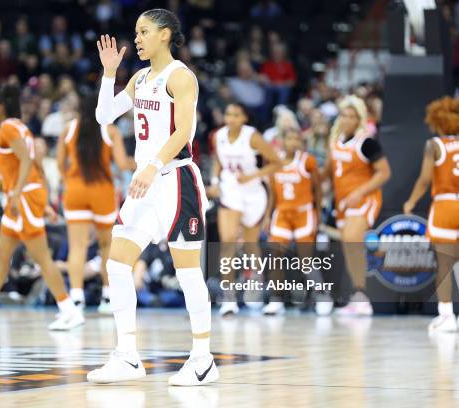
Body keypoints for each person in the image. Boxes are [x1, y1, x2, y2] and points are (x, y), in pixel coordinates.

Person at [87, 8, 218, 386]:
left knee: (188, 271)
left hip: (176, 180)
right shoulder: (140, 77)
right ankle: (127, 356)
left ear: (165, 34)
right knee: (116, 265)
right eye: (136, 32)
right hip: (145, 184)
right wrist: (109, 73)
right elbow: (104, 116)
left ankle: (203, 359)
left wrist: (151, 165)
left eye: (144, 32)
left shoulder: (181, 77)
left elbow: (184, 132)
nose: (137, 39)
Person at [0, 84, 82, 330]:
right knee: (2, 255)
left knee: (42, 257)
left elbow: (25, 160)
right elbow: (36, 163)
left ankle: (69, 309)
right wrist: (42, 203)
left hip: (21, 197)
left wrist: (17, 195)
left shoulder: (7, 128)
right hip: (26, 196)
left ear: (0, 107)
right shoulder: (23, 128)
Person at [57, 95, 135, 314]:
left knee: (77, 247)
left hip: (75, 189)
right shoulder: (110, 130)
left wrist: (69, 180)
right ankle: (107, 297)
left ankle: (76, 297)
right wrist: (141, 162)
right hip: (101, 191)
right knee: (106, 246)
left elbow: (60, 163)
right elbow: (121, 164)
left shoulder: (69, 129)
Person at [207, 102, 281, 316]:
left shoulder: (253, 136)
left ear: (244, 118)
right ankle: (228, 298)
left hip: (253, 192)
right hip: (230, 190)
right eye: (228, 113)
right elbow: (217, 160)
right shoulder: (218, 136)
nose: (231, 118)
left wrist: (253, 175)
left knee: (251, 244)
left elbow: (276, 162)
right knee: (228, 241)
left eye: (236, 114)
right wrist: (214, 180)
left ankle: (254, 286)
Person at [323, 95, 391, 316]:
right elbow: (329, 174)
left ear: (359, 118)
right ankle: (359, 294)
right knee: (348, 244)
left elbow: (384, 172)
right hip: (343, 201)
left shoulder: (366, 142)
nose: (347, 119)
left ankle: (362, 296)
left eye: (352, 116)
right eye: (344, 115)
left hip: (365, 198)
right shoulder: (335, 142)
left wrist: (359, 191)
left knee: (352, 239)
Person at [403, 96, 459, 332]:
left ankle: (446, 316)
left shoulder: (434, 145)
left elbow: (425, 180)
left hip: (445, 207)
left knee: (445, 266)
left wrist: (411, 201)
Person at [266, 128, 332, 316]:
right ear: (282, 140)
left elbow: (318, 190)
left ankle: (322, 295)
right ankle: (276, 299)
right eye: (290, 138)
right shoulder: (274, 161)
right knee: (274, 255)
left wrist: (318, 214)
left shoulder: (307, 161)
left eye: (297, 139)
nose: (294, 142)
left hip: (304, 213)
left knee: (305, 259)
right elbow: (272, 193)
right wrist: (267, 216)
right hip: (282, 214)